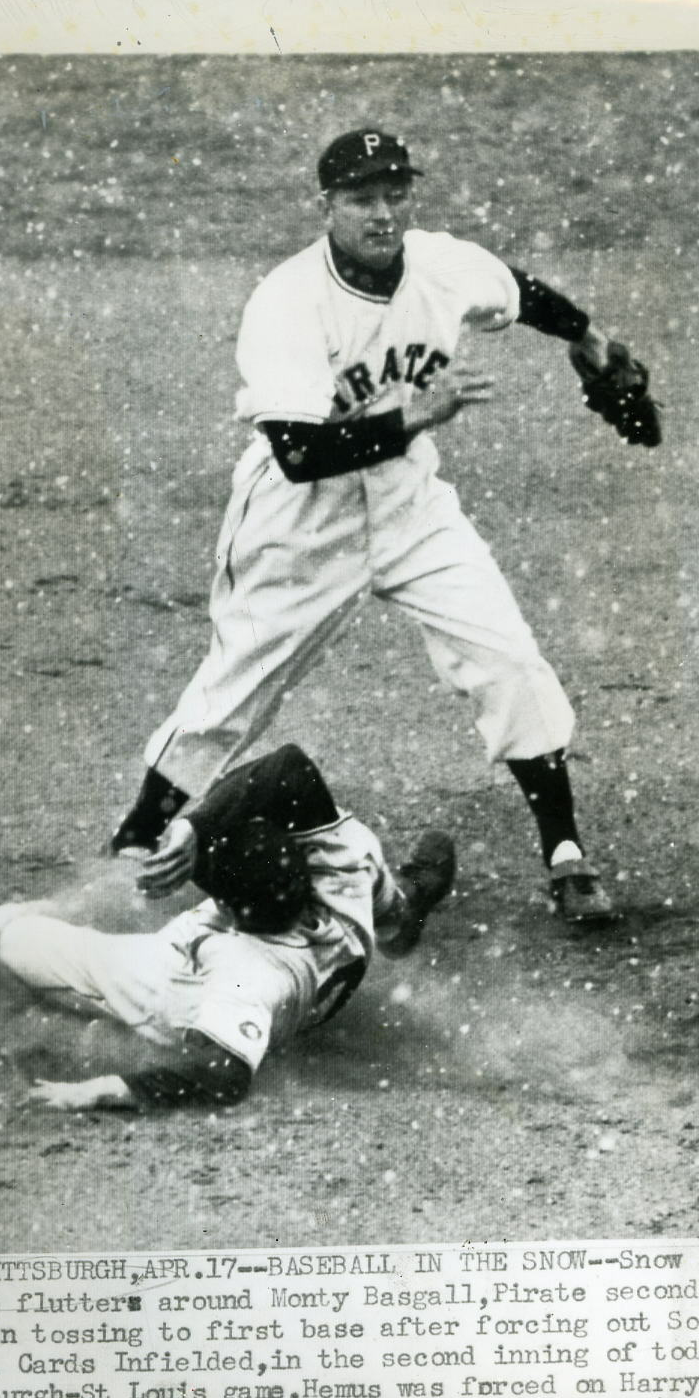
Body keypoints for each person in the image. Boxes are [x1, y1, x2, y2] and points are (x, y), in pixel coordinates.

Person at [110, 127, 637, 924]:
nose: (382, 214)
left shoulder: (441, 263)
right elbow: (294, 451)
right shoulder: (286, 300)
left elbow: (518, 294)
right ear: (327, 206)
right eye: (361, 199)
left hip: (405, 503)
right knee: (231, 694)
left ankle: (565, 854)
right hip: (298, 519)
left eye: (394, 195)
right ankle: (132, 850)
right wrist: (410, 414)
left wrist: (590, 339)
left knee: (504, 655)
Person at [0, 744, 455, 1111]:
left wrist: (103, 1088)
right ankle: (408, 908)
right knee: (380, 876)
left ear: (224, 909)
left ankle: (23, 1039)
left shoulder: (243, 973)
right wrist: (198, 827)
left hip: (178, 994)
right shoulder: (340, 865)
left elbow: (224, 1075)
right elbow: (290, 766)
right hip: (341, 936)